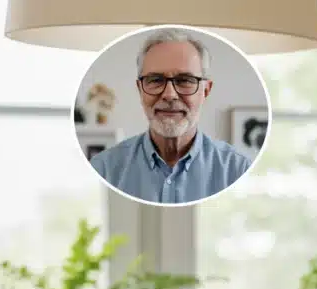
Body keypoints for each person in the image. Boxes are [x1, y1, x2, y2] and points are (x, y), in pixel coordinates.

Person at [89, 28, 251, 204]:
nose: (169, 94)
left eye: (184, 80)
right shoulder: (103, 168)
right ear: (140, 89)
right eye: (155, 80)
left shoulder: (238, 170)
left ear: (206, 90)